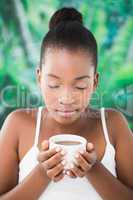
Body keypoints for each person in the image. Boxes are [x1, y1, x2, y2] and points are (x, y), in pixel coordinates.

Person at [0, 7, 133, 200]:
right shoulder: (18, 125)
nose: (66, 98)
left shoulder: (112, 124)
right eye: (54, 85)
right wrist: (41, 174)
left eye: (80, 86)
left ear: (94, 82)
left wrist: (94, 170)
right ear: (39, 78)